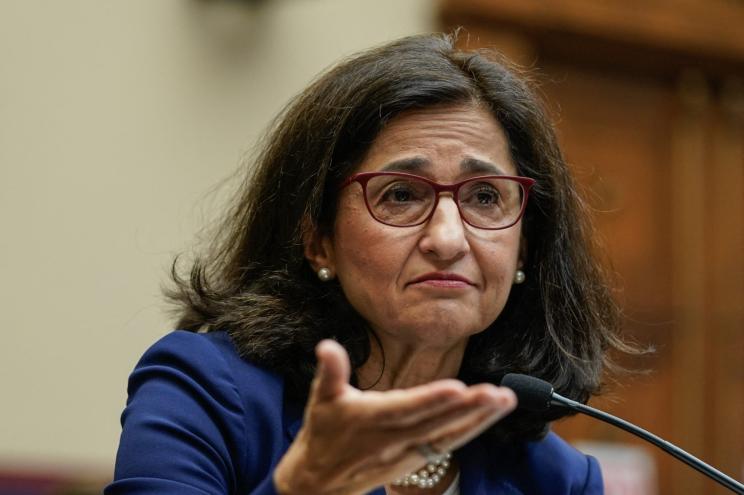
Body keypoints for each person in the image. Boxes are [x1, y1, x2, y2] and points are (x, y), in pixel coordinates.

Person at [106, 33, 634, 495]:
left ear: (524, 249)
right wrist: (308, 489)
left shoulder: (558, 479)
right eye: (402, 194)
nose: (448, 238)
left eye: (485, 197)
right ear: (318, 241)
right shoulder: (207, 390)